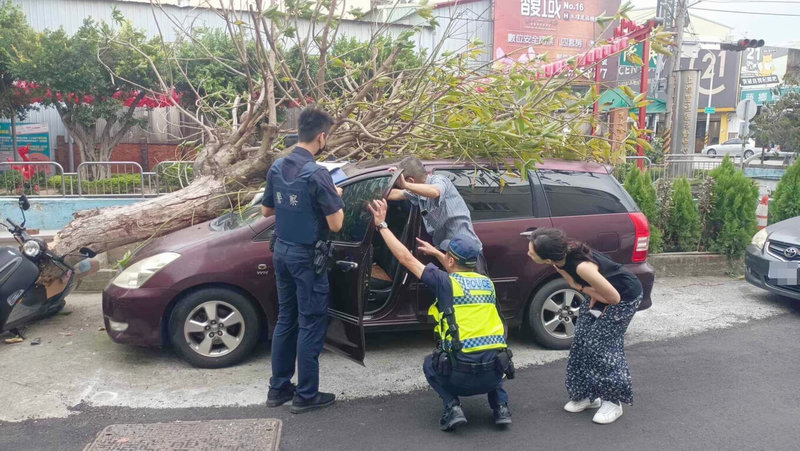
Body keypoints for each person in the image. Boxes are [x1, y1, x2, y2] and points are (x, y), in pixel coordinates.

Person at [367, 198, 514, 431]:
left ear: (451, 260)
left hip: (460, 375)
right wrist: (437, 253)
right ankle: (501, 408)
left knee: (429, 364)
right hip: (495, 371)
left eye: (447, 255)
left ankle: (453, 406)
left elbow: (405, 258)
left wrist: (382, 225)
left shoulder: (444, 282)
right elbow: (457, 269)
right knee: (489, 353)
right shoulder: (487, 283)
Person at [261, 108, 345, 414]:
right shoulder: (318, 174)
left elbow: (266, 212)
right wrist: (336, 195)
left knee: (286, 320)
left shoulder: (277, 167)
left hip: (281, 252)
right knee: (311, 323)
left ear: (299, 131)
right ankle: (306, 394)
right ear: (322, 137)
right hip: (308, 260)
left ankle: (278, 388)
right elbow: (336, 224)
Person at [526, 228, 643, 425]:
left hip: (624, 296)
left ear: (546, 259)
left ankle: (613, 401)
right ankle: (586, 395)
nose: (528, 253)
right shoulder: (559, 259)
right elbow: (589, 288)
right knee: (580, 340)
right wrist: (586, 291)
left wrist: (577, 286)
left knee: (600, 346)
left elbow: (614, 298)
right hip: (600, 292)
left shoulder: (582, 267)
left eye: (531, 252)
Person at [387, 156, 487, 274]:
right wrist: (390, 180)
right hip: (448, 254)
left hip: (466, 255)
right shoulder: (418, 193)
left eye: (407, 183)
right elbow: (395, 194)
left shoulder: (440, 180)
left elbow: (435, 192)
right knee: (453, 290)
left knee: (472, 291)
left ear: (411, 181)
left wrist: (405, 185)